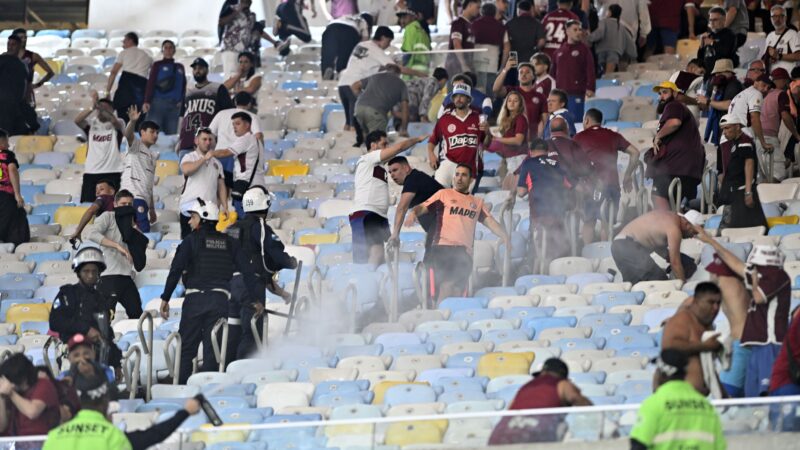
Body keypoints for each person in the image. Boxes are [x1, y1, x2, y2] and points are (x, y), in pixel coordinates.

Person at [160, 198, 262, 383]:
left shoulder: (190, 241)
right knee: (212, 349)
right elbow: (248, 272)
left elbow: (176, 270)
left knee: (187, 349)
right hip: (219, 302)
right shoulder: (230, 242)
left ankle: (181, 388)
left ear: (203, 218)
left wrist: (166, 298)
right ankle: (209, 389)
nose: (189, 221)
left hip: (194, 302)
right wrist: (255, 299)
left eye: (193, 217)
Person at [697, 231, 791, 398]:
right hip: (748, 343)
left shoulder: (730, 284)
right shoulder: (740, 283)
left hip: (747, 345)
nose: (712, 275)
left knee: (728, 396)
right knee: (747, 396)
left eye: (715, 271)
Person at [42, 361, 201, 450]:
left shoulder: (53, 437)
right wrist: (185, 412)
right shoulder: (113, 437)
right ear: (106, 402)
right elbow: (153, 434)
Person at [413, 164, 509, 302]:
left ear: (471, 180)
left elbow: (490, 222)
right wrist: (413, 213)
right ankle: (441, 313)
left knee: (458, 291)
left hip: (464, 252)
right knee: (446, 287)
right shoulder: (444, 194)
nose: (459, 178)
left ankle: (447, 313)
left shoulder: (477, 202)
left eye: (463, 175)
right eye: (457, 174)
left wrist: (505, 236)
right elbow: (423, 207)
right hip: (442, 249)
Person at [224, 186, 298, 360]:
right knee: (252, 334)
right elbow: (274, 256)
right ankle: (245, 370)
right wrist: (291, 262)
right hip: (250, 289)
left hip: (230, 288)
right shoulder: (260, 227)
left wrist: (282, 294)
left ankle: (229, 368)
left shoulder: (232, 228)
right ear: (264, 205)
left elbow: (259, 269)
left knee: (233, 334)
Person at [352, 131, 428, 266]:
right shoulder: (368, 158)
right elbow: (399, 148)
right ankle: (367, 278)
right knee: (376, 253)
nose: (387, 147)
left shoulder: (379, 166)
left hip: (379, 215)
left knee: (383, 256)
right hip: (367, 212)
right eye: (384, 144)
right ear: (373, 145)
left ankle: (373, 277)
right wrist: (417, 139)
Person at [630, 349, 726, 450]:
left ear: (662, 374)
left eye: (656, 370)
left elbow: (638, 445)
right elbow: (720, 447)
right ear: (684, 373)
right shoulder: (707, 407)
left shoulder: (653, 404)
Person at [337, 27, 424, 133]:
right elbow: (397, 68)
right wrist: (420, 74)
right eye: (388, 41)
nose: (388, 45)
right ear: (383, 38)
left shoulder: (362, 44)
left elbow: (371, 66)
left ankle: (345, 143)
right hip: (353, 85)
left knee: (348, 123)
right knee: (354, 127)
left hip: (342, 85)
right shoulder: (376, 50)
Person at [573, 108, 640, 244]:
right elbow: (635, 153)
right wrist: (627, 175)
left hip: (590, 186)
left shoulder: (579, 137)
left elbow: (572, 162)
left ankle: (588, 252)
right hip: (612, 185)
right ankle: (605, 252)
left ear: (586, 120)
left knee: (589, 222)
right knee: (607, 223)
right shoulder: (613, 135)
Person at [488, 357, 591, 444]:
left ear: (542, 372)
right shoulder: (562, 384)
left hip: (500, 436)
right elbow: (576, 399)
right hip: (535, 436)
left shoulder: (525, 387)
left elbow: (509, 410)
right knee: (562, 426)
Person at [49, 247, 119, 368]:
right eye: (86, 271)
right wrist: (86, 329)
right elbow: (55, 322)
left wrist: (116, 363)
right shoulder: (67, 293)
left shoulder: (101, 299)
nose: (90, 275)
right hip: (72, 355)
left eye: (94, 271)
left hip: (99, 360)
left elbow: (106, 333)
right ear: (78, 272)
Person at [85, 189, 146, 320]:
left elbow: (143, 244)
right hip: (109, 277)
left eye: (129, 204)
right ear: (115, 204)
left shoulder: (131, 224)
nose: (127, 207)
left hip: (127, 277)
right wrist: (117, 246)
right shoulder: (108, 216)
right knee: (105, 316)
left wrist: (134, 228)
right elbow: (92, 234)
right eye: (123, 204)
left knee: (137, 315)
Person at [516, 138, 573, 265]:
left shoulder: (528, 163)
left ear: (531, 152)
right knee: (559, 247)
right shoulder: (557, 164)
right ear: (547, 152)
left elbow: (521, 192)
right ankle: (561, 270)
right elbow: (569, 186)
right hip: (558, 212)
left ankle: (538, 271)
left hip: (539, 213)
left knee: (538, 248)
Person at [650, 80, 705, 210]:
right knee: (678, 209)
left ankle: (667, 223)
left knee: (658, 197)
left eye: (665, 92)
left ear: (675, 94)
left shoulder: (673, 105)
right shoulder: (680, 108)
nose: (661, 97)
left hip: (675, 168)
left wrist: (658, 136)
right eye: (659, 93)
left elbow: (674, 122)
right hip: (686, 169)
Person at [661, 282, 724, 396]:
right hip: (680, 397)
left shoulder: (704, 324)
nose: (715, 308)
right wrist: (706, 346)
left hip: (698, 397)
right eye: (710, 302)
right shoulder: (682, 319)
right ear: (696, 301)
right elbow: (671, 345)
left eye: (718, 303)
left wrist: (723, 395)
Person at [611, 210, 702, 284]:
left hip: (618, 246)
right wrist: (683, 287)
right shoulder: (674, 229)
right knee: (660, 281)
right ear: (687, 224)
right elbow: (675, 263)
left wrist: (686, 262)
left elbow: (659, 248)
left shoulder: (667, 217)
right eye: (694, 232)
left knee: (635, 285)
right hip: (628, 246)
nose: (692, 236)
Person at [428, 84, 487, 188]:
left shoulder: (478, 118)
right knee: (438, 192)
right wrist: (431, 154)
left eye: (462, 96)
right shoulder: (444, 119)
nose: (458, 99)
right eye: (456, 96)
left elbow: (486, 143)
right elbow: (432, 140)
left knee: (461, 197)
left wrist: (488, 132)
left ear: (468, 99)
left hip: (470, 166)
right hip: (448, 162)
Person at [715, 114, 768, 230]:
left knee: (744, 228)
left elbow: (749, 164)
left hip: (742, 192)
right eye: (723, 129)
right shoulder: (735, 143)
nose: (724, 132)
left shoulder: (744, 141)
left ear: (737, 127)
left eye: (727, 128)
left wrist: (748, 192)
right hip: (735, 193)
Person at [176, 58, 234, 157]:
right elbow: (182, 117)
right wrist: (179, 140)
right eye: (195, 69)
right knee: (186, 167)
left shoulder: (218, 88)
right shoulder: (188, 92)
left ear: (207, 70)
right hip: (187, 141)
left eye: (200, 68)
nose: (197, 71)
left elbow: (229, 114)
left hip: (208, 142)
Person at [210, 112, 265, 215]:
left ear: (247, 125)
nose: (234, 127)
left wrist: (208, 154)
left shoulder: (245, 139)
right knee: (254, 219)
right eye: (233, 124)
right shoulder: (257, 141)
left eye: (238, 124)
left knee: (245, 220)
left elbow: (224, 153)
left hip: (247, 188)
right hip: (258, 186)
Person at [387, 156, 443, 253]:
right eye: (390, 172)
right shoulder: (416, 177)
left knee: (432, 258)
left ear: (406, 168)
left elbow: (402, 208)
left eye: (395, 170)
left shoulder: (413, 179)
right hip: (442, 224)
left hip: (443, 224)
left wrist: (395, 234)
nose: (392, 175)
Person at [75, 95, 125, 203]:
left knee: (111, 206)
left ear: (112, 110)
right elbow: (77, 120)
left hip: (112, 171)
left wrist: (100, 107)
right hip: (91, 172)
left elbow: (113, 120)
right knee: (87, 205)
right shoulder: (91, 124)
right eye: (100, 107)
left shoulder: (119, 123)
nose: (102, 110)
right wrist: (92, 108)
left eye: (106, 108)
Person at [179, 128, 228, 238]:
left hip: (209, 211)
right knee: (188, 242)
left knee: (208, 241)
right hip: (190, 209)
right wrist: (204, 159)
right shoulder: (189, 157)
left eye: (210, 139)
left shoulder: (217, 163)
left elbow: (221, 186)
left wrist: (225, 206)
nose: (208, 142)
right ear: (196, 141)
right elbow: (186, 170)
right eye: (204, 139)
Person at [727, 74, 777, 181]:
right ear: (756, 82)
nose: (765, 89)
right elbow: (754, 118)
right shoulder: (756, 93)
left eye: (768, 87)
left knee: (736, 175)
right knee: (749, 175)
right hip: (742, 135)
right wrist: (763, 143)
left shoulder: (742, 93)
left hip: (730, 135)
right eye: (764, 85)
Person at [209, 92, 263, 186]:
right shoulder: (251, 117)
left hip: (218, 155)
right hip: (236, 157)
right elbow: (258, 137)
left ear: (234, 102)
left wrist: (211, 151)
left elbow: (210, 134)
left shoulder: (221, 114)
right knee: (233, 187)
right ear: (249, 104)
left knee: (219, 187)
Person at [0, 353, 60, 436]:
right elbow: (1, 427)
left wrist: (11, 393)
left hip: (42, 439)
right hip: (16, 440)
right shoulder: (11, 393)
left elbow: (32, 412)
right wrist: (1, 397)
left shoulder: (43, 385)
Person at [120, 107, 158, 233]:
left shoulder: (153, 157)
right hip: (133, 196)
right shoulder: (136, 145)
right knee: (143, 233)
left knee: (139, 233)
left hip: (143, 200)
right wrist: (132, 121)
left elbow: (149, 185)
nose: (155, 135)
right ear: (142, 132)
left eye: (157, 133)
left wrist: (152, 209)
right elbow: (128, 135)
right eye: (152, 132)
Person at [352, 65, 410, 143]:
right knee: (378, 143)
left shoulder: (375, 76)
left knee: (366, 139)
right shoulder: (401, 84)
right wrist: (404, 129)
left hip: (359, 108)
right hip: (376, 113)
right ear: (399, 74)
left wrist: (362, 98)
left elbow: (354, 86)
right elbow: (405, 109)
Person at [551, 20, 595, 122]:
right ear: (567, 31)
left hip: (577, 93)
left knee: (576, 123)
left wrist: (590, 87)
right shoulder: (559, 51)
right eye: (575, 30)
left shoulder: (584, 50)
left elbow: (590, 70)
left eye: (580, 30)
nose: (579, 32)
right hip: (560, 95)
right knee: (561, 123)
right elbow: (552, 74)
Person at [493, 61, 548, 140]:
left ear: (533, 76)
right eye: (521, 72)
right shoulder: (511, 91)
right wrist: (505, 69)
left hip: (531, 139)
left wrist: (540, 137)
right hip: (510, 138)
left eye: (527, 72)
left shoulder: (540, 97)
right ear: (518, 76)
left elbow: (545, 120)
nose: (523, 75)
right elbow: (496, 89)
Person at [762, 68, 800, 179]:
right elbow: (786, 116)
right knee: (779, 174)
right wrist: (796, 134)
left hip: (760, 135)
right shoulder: (781, 94)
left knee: (769, 172)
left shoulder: (765, 94)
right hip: (774, 134)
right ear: (783, 80)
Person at [106, 32, 152, 123]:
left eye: (124, 41)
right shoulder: (147, 56)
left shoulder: (124, 53)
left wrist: (107, 91)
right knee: (138, 121)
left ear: (130, 40)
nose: (123, 43)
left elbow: (114, 72)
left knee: (123, 121)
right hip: (141, 88)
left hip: (126, 87)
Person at [142, 40, 185, 134]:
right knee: (154, 133)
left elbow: (183, 85)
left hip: (175, 105)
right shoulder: (157, 65)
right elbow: (151, 83)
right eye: (166, 47)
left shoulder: (180, 67)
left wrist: (182, 100)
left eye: (170, 47)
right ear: (162, 50)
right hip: (158, 103)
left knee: (171, 134)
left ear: (174, 50)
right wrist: (147, 101)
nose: (168, 50)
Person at [487, 90, 529, 183]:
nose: (512, 103)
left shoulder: (520, 118)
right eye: (509, 100)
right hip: (509, 158)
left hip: (518, 158)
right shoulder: (507, 120)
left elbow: (518, 140)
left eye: (515, 100)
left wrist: (497, 139)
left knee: (511, 186)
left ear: (520, 104)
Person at [697, 59, 742, 145]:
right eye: (716, 73)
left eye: (720, 73)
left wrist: (708, 101)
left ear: (729, 72)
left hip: (732, 127)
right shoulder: (717, 85)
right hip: (721, 127)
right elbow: (709, 106)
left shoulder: (734, 85)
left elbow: (728, 105)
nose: (717, 76)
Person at [471, 3, 510, 96]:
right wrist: (502, 66)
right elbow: (507, 48)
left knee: (476, 91)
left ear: (481, 12)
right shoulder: (501, 26)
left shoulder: (474, 25)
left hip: (476, 63)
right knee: (490, 92)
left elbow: (469, 44)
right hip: (492, 64)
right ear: (495, 12)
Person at [10, 28, 54, 106]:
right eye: (21, 37)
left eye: (25, 37)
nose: (24, 40)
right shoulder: (7, 57)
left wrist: (37, 84)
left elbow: (50, 73)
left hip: (27, 96)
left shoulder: (33, 56)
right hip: (10, 94)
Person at [321, 12, 372, 80]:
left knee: (328, 56)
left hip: (330, 29)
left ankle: (327, 69)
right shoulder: (363, 21)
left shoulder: (347, 16)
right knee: (344, 59)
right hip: (349, 31)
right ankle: (341, 74)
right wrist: (359, 58)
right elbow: (364, 42)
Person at [589, 4, 637, 75]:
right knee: (609, 73)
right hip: (615, 51)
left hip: (601, 50)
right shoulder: (621, 26)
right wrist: (634, 55)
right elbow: (629, 41)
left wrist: (589, 38)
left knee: (603, 72)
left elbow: (599, 33)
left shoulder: (603, 22)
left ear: (610, 12)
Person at [69, 180, 117, 244]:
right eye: (96, 190)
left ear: (111, 191)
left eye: (101, 189)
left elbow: (90, 211)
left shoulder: (103, 197)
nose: (97, 192)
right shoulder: (117, 202)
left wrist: (78, 231)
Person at [698, 7, 739, 78]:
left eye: (715, 20)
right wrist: (701, 46)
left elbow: (726, 52)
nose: (712, 22)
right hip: (707, 74)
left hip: (721, 75)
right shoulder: (709, 35)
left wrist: (712, 43)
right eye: (710, 20)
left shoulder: (730, 35)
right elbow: (700, 58)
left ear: (723, 20)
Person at [219, 0, 258, 75]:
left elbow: (253, 31)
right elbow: (221, 22)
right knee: (231, 75)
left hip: (244, 52)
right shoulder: (231, 8)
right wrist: (238, 10)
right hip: (230, 49)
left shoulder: (252, 15)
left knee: (242, 77)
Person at [0, 128, 23, 244]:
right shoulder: (7, 155)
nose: (8, 145)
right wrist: (17, 194)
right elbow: (12, 170)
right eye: (6, 142)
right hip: (5, 194)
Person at [446, 0, 481, 76]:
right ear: (470, 5)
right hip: (456, 69)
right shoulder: (458, 23)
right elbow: (456, 44)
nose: (478, 10)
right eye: (477, 7)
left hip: (466, 69)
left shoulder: (470, 25)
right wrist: (463, 65)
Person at [763, 5, 800, 74]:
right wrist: (769, 59)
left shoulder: (792, 33)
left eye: (781, 16)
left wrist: (779, 56)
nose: (777, 19)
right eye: (774, 16)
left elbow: (798, 56)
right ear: (771, 19)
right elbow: (765, 57)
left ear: (785, 18)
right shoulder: (769, 36)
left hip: (787, 75)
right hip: (772, 75)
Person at [398, 8, 431, 75]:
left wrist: (399, 67)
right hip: (424, 70)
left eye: (404, 17)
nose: (402, 21)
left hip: (412, 72)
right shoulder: (422, 30)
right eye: (400, 18)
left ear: (413, 17)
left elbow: (407, 53)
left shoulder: (410, 28)